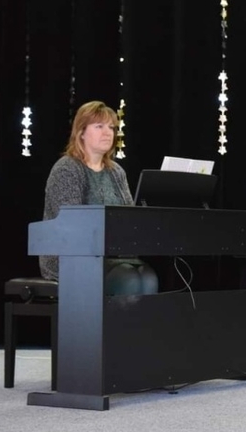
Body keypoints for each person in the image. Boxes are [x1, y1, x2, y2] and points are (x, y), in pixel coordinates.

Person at [39, 100, 159, 296]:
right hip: (71, 259)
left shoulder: (116, 171)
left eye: (111, 127)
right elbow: (71, 225)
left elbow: (130, 217)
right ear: (82, 132)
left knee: (149, 277)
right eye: (99, 126)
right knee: (127, 280)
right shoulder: (67, 168)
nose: (108, 133)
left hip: (115, 257)